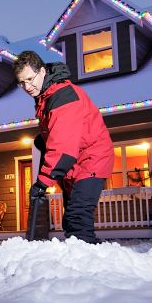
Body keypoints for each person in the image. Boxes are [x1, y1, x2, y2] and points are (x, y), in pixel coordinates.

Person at [15, 50, 114, 244]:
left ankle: (92, 259)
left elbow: (63, 148)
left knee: (77, 218)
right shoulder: (46, 97)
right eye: (22, 83)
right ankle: (84, 257)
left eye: (30, 79)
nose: (27, 87)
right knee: (70, 220)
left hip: (91, 159)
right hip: (74, 165)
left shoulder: (62, 96)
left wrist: (42, 183)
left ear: (42, 71)